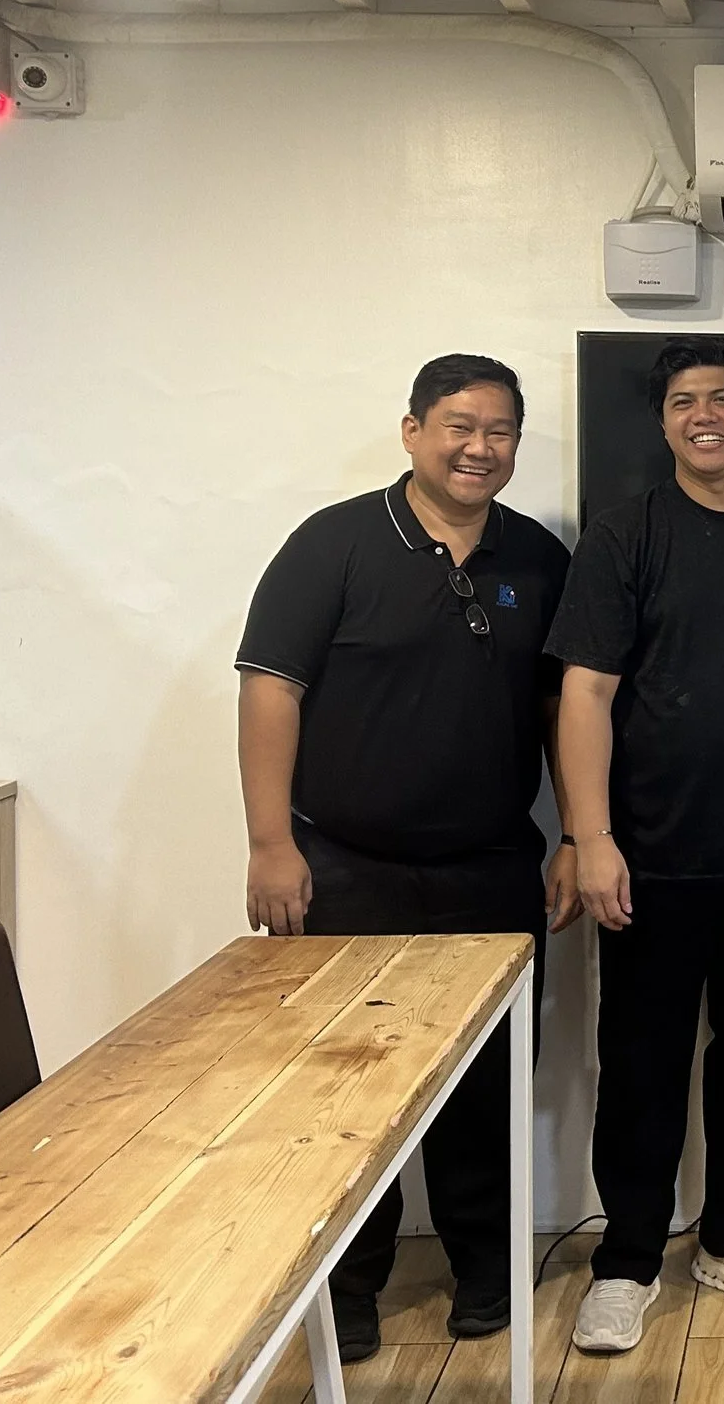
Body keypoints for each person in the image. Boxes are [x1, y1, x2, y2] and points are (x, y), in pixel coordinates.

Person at [234, 353, 572, 1364]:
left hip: (490, 866)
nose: (480, 446)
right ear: (412, 430)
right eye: (459, 425)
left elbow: (562, 707)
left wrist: (577, 838)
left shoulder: (535, 558)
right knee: (346, 1093)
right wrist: (269, 843)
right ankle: (348, 1288)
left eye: (500, 430)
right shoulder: (332, 543)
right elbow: (269, 689)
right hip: (344, 869)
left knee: (485, 1084)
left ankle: (482, 1273)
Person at [547, 340, 724, 1353]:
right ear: (664, 419)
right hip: (654, 855)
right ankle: (627, 1257)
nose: (702, 414)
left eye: (722, 397)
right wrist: (591, 837)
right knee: (640, 1064)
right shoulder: (626, 531)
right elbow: (584, 690)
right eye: (683, 400)